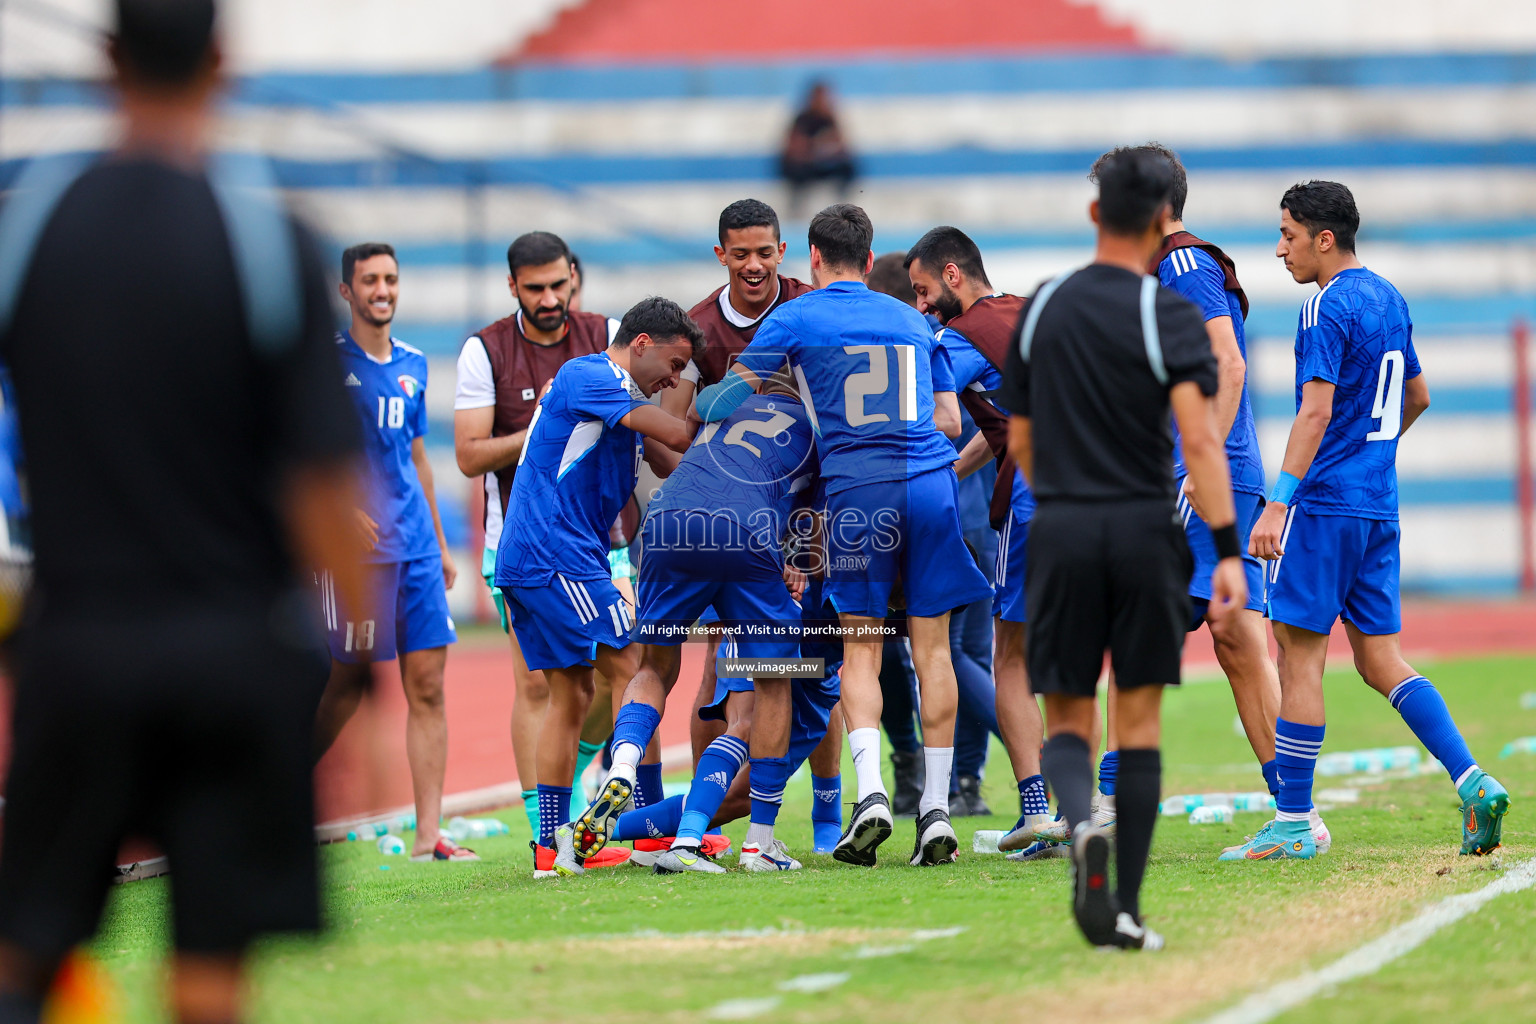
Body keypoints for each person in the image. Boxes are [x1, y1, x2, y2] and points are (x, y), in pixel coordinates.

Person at [0, 1, 365, 1019]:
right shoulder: (265, 238)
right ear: (221, 63)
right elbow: (327, 486)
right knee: (209, 971)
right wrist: (365, 652)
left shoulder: (31, 228)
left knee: (25, 945)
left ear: (105, 61)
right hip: (232, 652)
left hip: (78, 643)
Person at [997, 146, 1245, 950]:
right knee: (1137, 724)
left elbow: (1023, 441)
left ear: (1095, 212)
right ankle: (1125, 912)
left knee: (1066, 716)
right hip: (1145, 529)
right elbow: (1202, 444)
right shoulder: (1166, 312)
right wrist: (1228, 549)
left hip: (1063, 527)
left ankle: (1079, 827)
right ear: (1161, 219)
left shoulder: (1042, 306)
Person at [697, 204, 992, 868]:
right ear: (869, 255)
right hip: (931, 484)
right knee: (934, 651)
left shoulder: (797, 317)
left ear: (812, 257)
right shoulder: (913, 320)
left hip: (861, 491)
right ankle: (938, 809)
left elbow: (720, 405)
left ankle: (875, 796)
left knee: (861, 648)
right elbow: (949, 421)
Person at [1233, 180, 1510, 861]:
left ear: (1324, 238)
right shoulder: (1388, 296)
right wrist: (1372, 453)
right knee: (1381, 658)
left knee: (1297, 657)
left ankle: (1294, 821)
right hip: (1376, 505)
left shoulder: (1324, 305)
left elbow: (1315, 410)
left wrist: (1278, 501)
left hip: (1323, 507)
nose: (1279, 250)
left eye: (1288, 235)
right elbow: (1416, 393)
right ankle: (1473, 781)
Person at [1138, 145, 1330, 858]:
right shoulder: (1163, 268)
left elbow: (1228, 361)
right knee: (1234, 636)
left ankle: (1089, 808)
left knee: (1196, 631)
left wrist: (1203, 456)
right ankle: (1295, 810)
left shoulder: (1183, 265)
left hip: (1208, 473)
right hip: (1204, 470)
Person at [562, 370, 824, 874]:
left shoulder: (724, 415)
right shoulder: (816, 430)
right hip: (744, 531)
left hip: (667, 522)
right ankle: (761, 843)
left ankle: (620, 767)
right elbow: (808, 531)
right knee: (772, 685)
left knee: (655, 667)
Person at [492, 297, 700, 877]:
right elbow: (679, 433)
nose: (675, 377)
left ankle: (549, 848)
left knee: (573, 697)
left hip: (542, 557)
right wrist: (719, 391)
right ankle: (652, 827)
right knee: (641, 665)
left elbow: (668, 460)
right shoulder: (593, 376)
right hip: (554, 556)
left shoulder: (621, 399)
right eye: (674, 362)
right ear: (640, 344)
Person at [664, 198, 843, 852]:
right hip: (734, 520)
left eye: (765, 252)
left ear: (783, 252)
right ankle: (705, 825)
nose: (754, 265)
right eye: (740, 254)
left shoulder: (808, 307)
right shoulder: (699, 327)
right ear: (721, 255)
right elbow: (675, 431)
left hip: (809, 514)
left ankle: (827, 822)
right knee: (719, 669)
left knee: (816, 662)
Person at [453, 231, 621, 840]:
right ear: (512, 287)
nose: (550, 298)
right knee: (539, 683)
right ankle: (543, 829)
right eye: (535, 289)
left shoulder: (607, 335)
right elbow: (469, 455)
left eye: (558, 284)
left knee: (615, 672)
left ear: (574, 275)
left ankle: (575, 772)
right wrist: (543, 432)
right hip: (520, 541)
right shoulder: (486, 350)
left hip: (607, 540)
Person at [310, 243, 471, 861]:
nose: (383, 289)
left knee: (428, 686)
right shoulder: (324, 363)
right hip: (355, 556)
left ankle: (430, 833)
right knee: (342, 688)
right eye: (370, 279)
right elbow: (300, 449)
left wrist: (438, 538)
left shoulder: (412, 363)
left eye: (391, 279)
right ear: (347, 291)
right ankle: (278, 802)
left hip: (416, 550)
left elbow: (418, 456)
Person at [904, 228, 1054, 851]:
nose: (920, 307)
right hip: (1103, 493)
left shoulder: (956, 339)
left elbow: (921, 410)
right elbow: (999, 426)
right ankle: (1089, 801)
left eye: (922, 292)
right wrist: (954, 469)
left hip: (1035, 495)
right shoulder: (1028, 313)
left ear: (953, 275)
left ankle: (1040, 806)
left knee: (1008, 657)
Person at [779, 81, 856, 212]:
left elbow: (841, 145)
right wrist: (817, 147)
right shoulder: (802, 119)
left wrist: (825, 150)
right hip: (806, 165)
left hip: (823, 163)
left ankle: (844, 205)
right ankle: (796, 206)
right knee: (795, 169)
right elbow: (794, 148)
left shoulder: (829, 119)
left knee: (847, 167)